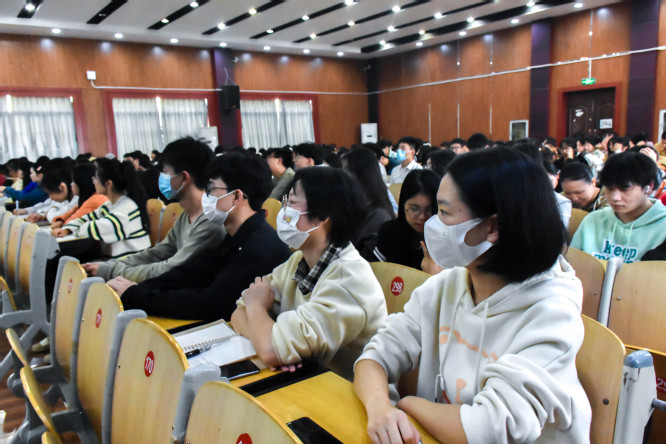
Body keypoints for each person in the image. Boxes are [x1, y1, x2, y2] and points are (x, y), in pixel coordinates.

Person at [354, 147, 591, 444]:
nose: (432, 224)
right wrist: (379, 407)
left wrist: (406, 404)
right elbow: (375, 356)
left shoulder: (552, 314)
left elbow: (489, 429)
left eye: (443, 212)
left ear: (492, 227)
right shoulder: (447, 285)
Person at [230, 167, 387, 380]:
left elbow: (269, 350)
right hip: (307, 380)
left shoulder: (348, 280)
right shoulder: (299, 259)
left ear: (323, 216)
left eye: (292, 203)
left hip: (348, 393)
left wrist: (257, 308)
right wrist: (270, 342)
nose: (284, 211)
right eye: (286, 202)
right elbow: (238, 313)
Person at [108, 152, 291, 320]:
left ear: (236, 196)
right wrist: (138, 290)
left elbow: (209, 303)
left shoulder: (260, 248)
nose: (207, 196)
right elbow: (191, 274)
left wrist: (136, 296)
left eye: (212, 189)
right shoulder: (236, 237)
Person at [85, 137, 225, 282]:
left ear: (183, 178)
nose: (161, 178)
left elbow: (169, 269)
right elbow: (158, 253)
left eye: (165, 172)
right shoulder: (187, 215)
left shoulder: (210, 222)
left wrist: (111, 271)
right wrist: (112, 265)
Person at [571, 151, 666, 263]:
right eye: (609, 188)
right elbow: (571, 264)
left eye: (625, 189)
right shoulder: (593, 220)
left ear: (649, 187)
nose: (615, 197)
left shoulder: (663, 226)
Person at [54, 158, 151, 259]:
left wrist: (75, 229)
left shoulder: (126, 208)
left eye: (95, 179)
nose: (93, 182)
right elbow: (85, 219)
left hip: (131, 263)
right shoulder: (110, 204)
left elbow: (94, 229)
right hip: (117, 261)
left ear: (108, 183)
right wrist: (67, 229)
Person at [374, 169, 440, 271]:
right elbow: (378, 273)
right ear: (402, 203)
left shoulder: (446, 240)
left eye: (430, 209)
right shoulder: (388, 231)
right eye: (414, 209)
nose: (422, 216)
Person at [342, 147, 394, 259]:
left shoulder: (379, 215)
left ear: (360, 176)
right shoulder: (356, 206)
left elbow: (366, 261)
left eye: (345, 172)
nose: (341, 178)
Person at [51, 163, 108, 228]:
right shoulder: (90, 198)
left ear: (82, 182)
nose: (71, 184)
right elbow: (74, 211)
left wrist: (62, 223)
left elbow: (70, 224)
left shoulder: (94, 200)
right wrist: (61, 220)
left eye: (74, 181)